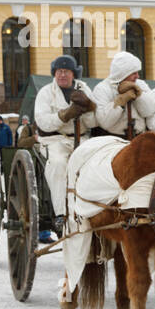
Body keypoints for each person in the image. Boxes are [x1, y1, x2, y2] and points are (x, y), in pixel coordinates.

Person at [33, 54, 98, 231]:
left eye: (66, 71)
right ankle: (61, 213)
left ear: (73, 74)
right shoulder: (45, 93)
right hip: (54, 139)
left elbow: (93, 122)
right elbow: (42, 121)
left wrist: (89, 109)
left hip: (81, 138)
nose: (62, 75)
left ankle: (95, 207)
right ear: (54, 74)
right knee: (58, 164)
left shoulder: (83, 88)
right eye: (59, 71)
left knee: (95, 164)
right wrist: (65, 114)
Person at [91, 51, 155, 138]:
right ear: (123, 73)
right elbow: (104, 122)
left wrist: (139, 95)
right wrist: (121, 101)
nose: (137, 76)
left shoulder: (140, 84)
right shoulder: (102, 89)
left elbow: (149, 111)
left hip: (138, 139)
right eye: (134, 73)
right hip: (112, 141)